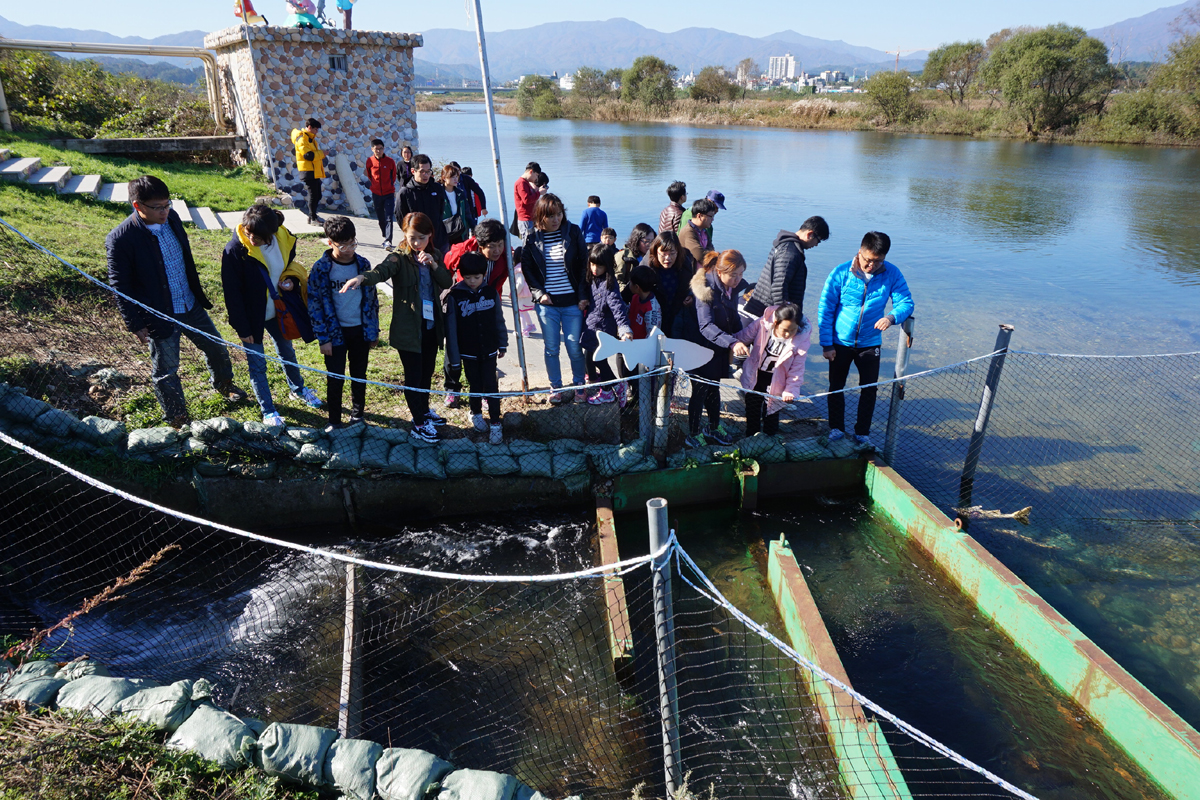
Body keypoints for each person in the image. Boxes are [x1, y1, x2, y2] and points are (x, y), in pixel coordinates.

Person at [106, 175, 247, 427]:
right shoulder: (121, 239)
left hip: (189, 303)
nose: (164, 211)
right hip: (160, 315)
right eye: (157, 207)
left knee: (216, 347)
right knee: (166, 370)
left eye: (167, 204)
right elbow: (120, 286)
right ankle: (177, 417)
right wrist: (135, 323)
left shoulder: (172, 219)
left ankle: (224, 385)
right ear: (138, 206)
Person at [340, 212, 452, 443]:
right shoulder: (399, 258)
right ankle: (419, 424)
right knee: (413, 376)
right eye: (412, 237)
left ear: (430, 235)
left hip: (431, 326)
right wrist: (361, 279)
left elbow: (447, 282)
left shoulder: (435, 254)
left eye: (422, 237)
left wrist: (433, 265)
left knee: (427, 373)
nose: (416, 243)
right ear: (405, 235)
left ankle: (424, 409)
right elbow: (381, 272)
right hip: (409, 329)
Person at [221, 204, 322, 427]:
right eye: (249, 233)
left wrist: (291, 281)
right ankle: (268, 410)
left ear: (272, 233)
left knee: (287, 350)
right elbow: (232, 293)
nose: (252, 239)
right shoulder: (234, 250)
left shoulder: (284, 238)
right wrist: (242, 328)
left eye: (258, 236)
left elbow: (289, 266)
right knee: (257, 364)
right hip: (252, 317)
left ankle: (298, 389)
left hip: (278, 310)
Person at [817, 231, 914, 448]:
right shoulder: (841, 272)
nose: (871, 265)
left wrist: (891, 317)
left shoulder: (892, 273)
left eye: (878, 261)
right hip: (840, 342)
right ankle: (836, 428)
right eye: (868, 260)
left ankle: (862, 433)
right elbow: (826, 308)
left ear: (884, 257)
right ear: (860, 251)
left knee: (869, 388)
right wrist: (826, 344)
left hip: (870, 343)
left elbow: (906, 303)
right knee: (836, 386)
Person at [307, 217, 379, 429]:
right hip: (334, 334)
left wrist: (372, 331)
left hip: (360, 331)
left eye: (352, 243)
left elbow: (372, 300)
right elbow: (315, 305)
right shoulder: (321, 269)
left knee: (359, 375)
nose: (349, 249)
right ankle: (334, 420)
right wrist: (323, 339)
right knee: (335, 378)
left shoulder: (363, 264)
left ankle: (358, 416)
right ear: (330, 242)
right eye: (343, 245)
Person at [521, 193, 589, 404]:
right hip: (547, 304)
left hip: (572, 302)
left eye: (559, 214)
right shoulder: (532, 238)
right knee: (551, 348)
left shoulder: (573, 232)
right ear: (541, 216)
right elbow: (528, 268)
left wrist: (583, 295)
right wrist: (539, 293)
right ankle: (556, 387)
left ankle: (579, 385)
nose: (556, 219)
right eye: (550, 215)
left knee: (574, 347)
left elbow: (583, 264)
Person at [683, 250, 750, 446]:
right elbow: (705, 326)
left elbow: (734, 319)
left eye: (741, 274)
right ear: (719, 272)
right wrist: (732, 342)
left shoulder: (731, 289)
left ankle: (713, 427)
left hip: (718, 350)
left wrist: (745, 337)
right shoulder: (706, 290)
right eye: (733, 275)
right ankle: (693, 434)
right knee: (699, 391)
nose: (737, 279)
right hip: (700, 349)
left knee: (714, 389)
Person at [442, 218, 511, 407]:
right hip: (462, 306)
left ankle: (486, 393)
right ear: (480, 246)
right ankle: (452, 389)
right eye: (492, 246)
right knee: (454, 348)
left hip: (487, 303)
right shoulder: (461, 252)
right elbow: (446, 266)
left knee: (486, 352)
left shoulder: (506, 257)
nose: (497, 250)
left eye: (500, 244)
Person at [445, 253, 508, 444]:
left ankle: (496, 423)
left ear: (484, 274)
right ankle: (476, 413)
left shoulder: (490, 293)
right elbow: (452, 329)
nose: (473, 282)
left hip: (489, 349)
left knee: (491, 385)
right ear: (461, 275)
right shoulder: (455, 296)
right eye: (468, 277)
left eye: (477, 277)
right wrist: (454, 358)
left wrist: (502, 342)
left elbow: (499, 318)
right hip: (468, 352)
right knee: (474, 384)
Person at [734, 303, 810, 437]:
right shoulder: (762, 325)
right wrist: (733, 343)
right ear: (775, 323)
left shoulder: (801, 341)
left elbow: (797, 370)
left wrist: (791, 390)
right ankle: (751, 437)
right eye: (785, 330)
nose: (788, 334)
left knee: (772, 412)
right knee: (752, 409)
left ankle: (769, 439)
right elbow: (742, 337)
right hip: (755, 376)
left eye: (793, 330)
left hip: (777, 380)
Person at [744, 216, 830, 318]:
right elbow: (779, 287)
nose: (816, 245)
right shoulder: (789, 252)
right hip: (767, 313)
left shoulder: (787, 246)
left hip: (765, 310)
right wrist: (785, 318)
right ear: (810, 234)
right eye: (818, 241)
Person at [582, 244, 633, 405]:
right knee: (594, 359)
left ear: (608, 265)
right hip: (591, 326)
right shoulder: (592, 278)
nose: (595, 268)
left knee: (598, 359)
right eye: (592, 264)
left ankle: (608, 391)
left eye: (599, 265)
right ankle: (614, 385)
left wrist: (624, 328)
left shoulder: (609, 285)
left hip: (603, 329)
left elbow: (618, 308)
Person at [644, 231, 695, 337]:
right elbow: (633, 287)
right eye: (663, 254)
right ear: (656, 251)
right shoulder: (647, 265)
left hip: (676, 311)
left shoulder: (685, 262)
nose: (668, 258)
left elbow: (693, 282)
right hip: (653, 316)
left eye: (672, 253)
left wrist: (691, 294)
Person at [398, 154, 451, 254]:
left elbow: (440, 210)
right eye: (422, 171)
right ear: (413, 171)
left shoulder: (437, 188)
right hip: (417, 243)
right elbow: (401, 218)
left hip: (439, 240)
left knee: (440, 268)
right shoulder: (405, 193)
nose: (426, 175)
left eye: (428, 171)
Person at [365, 138, 397, 250]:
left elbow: (393, 176)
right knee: (380, 217)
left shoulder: (390, 161)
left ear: (384, 149)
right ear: (372, 149)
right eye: (376, 149)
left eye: (381, 148)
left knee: (389, 216)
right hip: (376, 193)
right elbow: (369, 175)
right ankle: (385, 233)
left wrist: (389, 185)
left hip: (389, 193)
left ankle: (388, 240)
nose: (379, 151)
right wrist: (374, 185)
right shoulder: (369, 161)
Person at [290, 118, 325, 225]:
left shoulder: (310, 138)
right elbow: (308, 155)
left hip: (313, 171)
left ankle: (312, 216)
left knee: (317, 195)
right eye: (315, 129)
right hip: (308, 171)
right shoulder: (302, 139)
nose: (317, 132)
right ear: (309, 127)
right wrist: (322, 153)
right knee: (314, 195)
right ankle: (313, 218)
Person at [614, 223, 655, 300]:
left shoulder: (653, 256)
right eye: (646, 241)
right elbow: (617, 280)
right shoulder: (623, 256)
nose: (649, 245)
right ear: (636, 240)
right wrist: (632, 291)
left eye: (652, 241)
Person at [440, 163, 477, 246]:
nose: (456, 179)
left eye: (457, 176)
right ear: (444, 178)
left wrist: (474, 228)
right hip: (445, 231)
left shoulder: (460, 193)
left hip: (460, 230)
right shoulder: (438, 193)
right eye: (453, 177)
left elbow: (467, 213)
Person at [678, 198, 718, 264]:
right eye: (711, 216)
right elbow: (699, 255)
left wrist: (711, 253)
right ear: (699, 216)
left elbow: (711, 249)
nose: (713, 219)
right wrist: (714, 254)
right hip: (691, 272)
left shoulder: (704, 230)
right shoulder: (688, 231)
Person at [513, 161, 541, 239]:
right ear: (531, 172)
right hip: (525, 219)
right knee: (528, 242)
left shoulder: (526, 183)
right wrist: (539, 193)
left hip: (530, 218)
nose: (536, 179)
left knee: (533, 241)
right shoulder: (521, 183)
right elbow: (526, 200)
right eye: (536, 175)